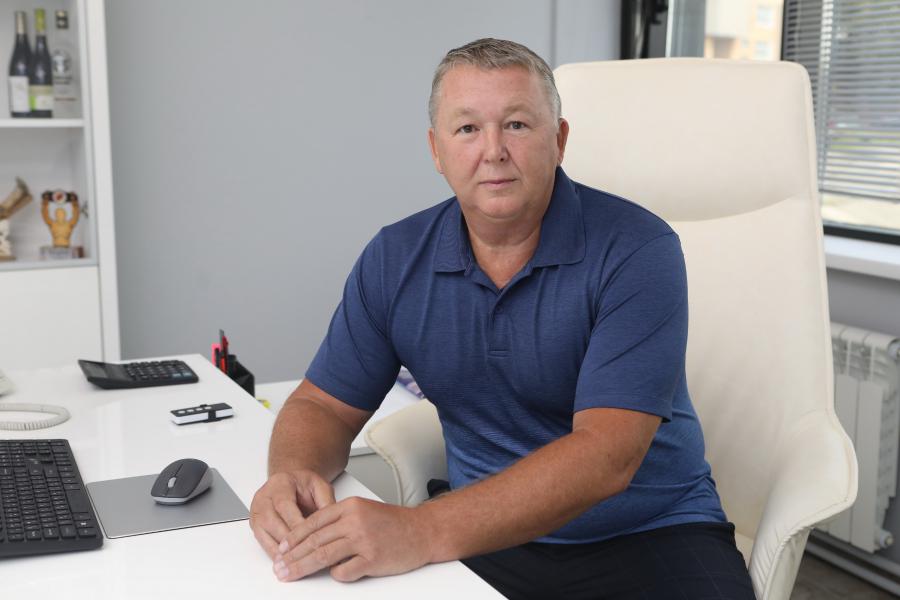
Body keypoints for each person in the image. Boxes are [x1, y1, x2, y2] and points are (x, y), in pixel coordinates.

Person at [250, 38, 755, 599]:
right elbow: (323, 406)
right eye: (467, 128)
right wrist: (290, 476)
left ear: (559, 140)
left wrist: (419, 530)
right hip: (486, 535)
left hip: (651, 531)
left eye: (516, 125)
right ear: (436, 150)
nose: (493, 151)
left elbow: (607, 456)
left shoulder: (637, 249)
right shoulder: (394, 259)